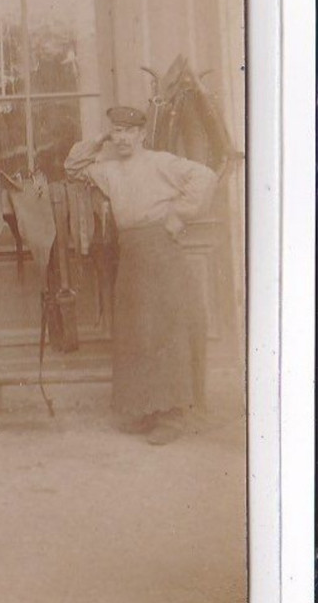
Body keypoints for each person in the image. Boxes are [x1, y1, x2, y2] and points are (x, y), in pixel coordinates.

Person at [64, 105, 218, 445]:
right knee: (137, 332)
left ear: (141, 135)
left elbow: (205, 176)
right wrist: (100, 138)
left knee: (164, 330)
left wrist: (181, 214)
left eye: (128, 132)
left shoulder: (161, 162)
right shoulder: (108, 170)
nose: (121, 138)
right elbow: (72, 167)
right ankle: (146, 409)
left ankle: (171, 416)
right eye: (115, 131)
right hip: (131, 252)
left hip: (161, 249)